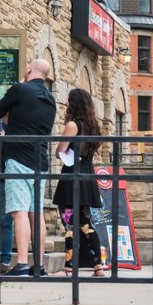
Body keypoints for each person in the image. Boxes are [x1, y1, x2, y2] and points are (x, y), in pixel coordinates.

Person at [0, 58, 56, 277]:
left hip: (18, 158)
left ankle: (21, 265)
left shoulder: (20, 89)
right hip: (41, 161)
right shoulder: (50, 98)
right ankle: (38, 265)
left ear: (29, 69)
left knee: (19, 213)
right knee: (36, 213)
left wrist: (18, 86)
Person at [50, 88, 106, 277]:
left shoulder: (73, 125)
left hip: (71, 178)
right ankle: (98, 265)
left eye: (68, 100)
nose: (66, 103)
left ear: (73, 103)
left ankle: (68, 267)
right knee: (86, 224)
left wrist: (60, 151)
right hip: (87, 177)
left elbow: (60, 150)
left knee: (69, 224)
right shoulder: (94, 126)